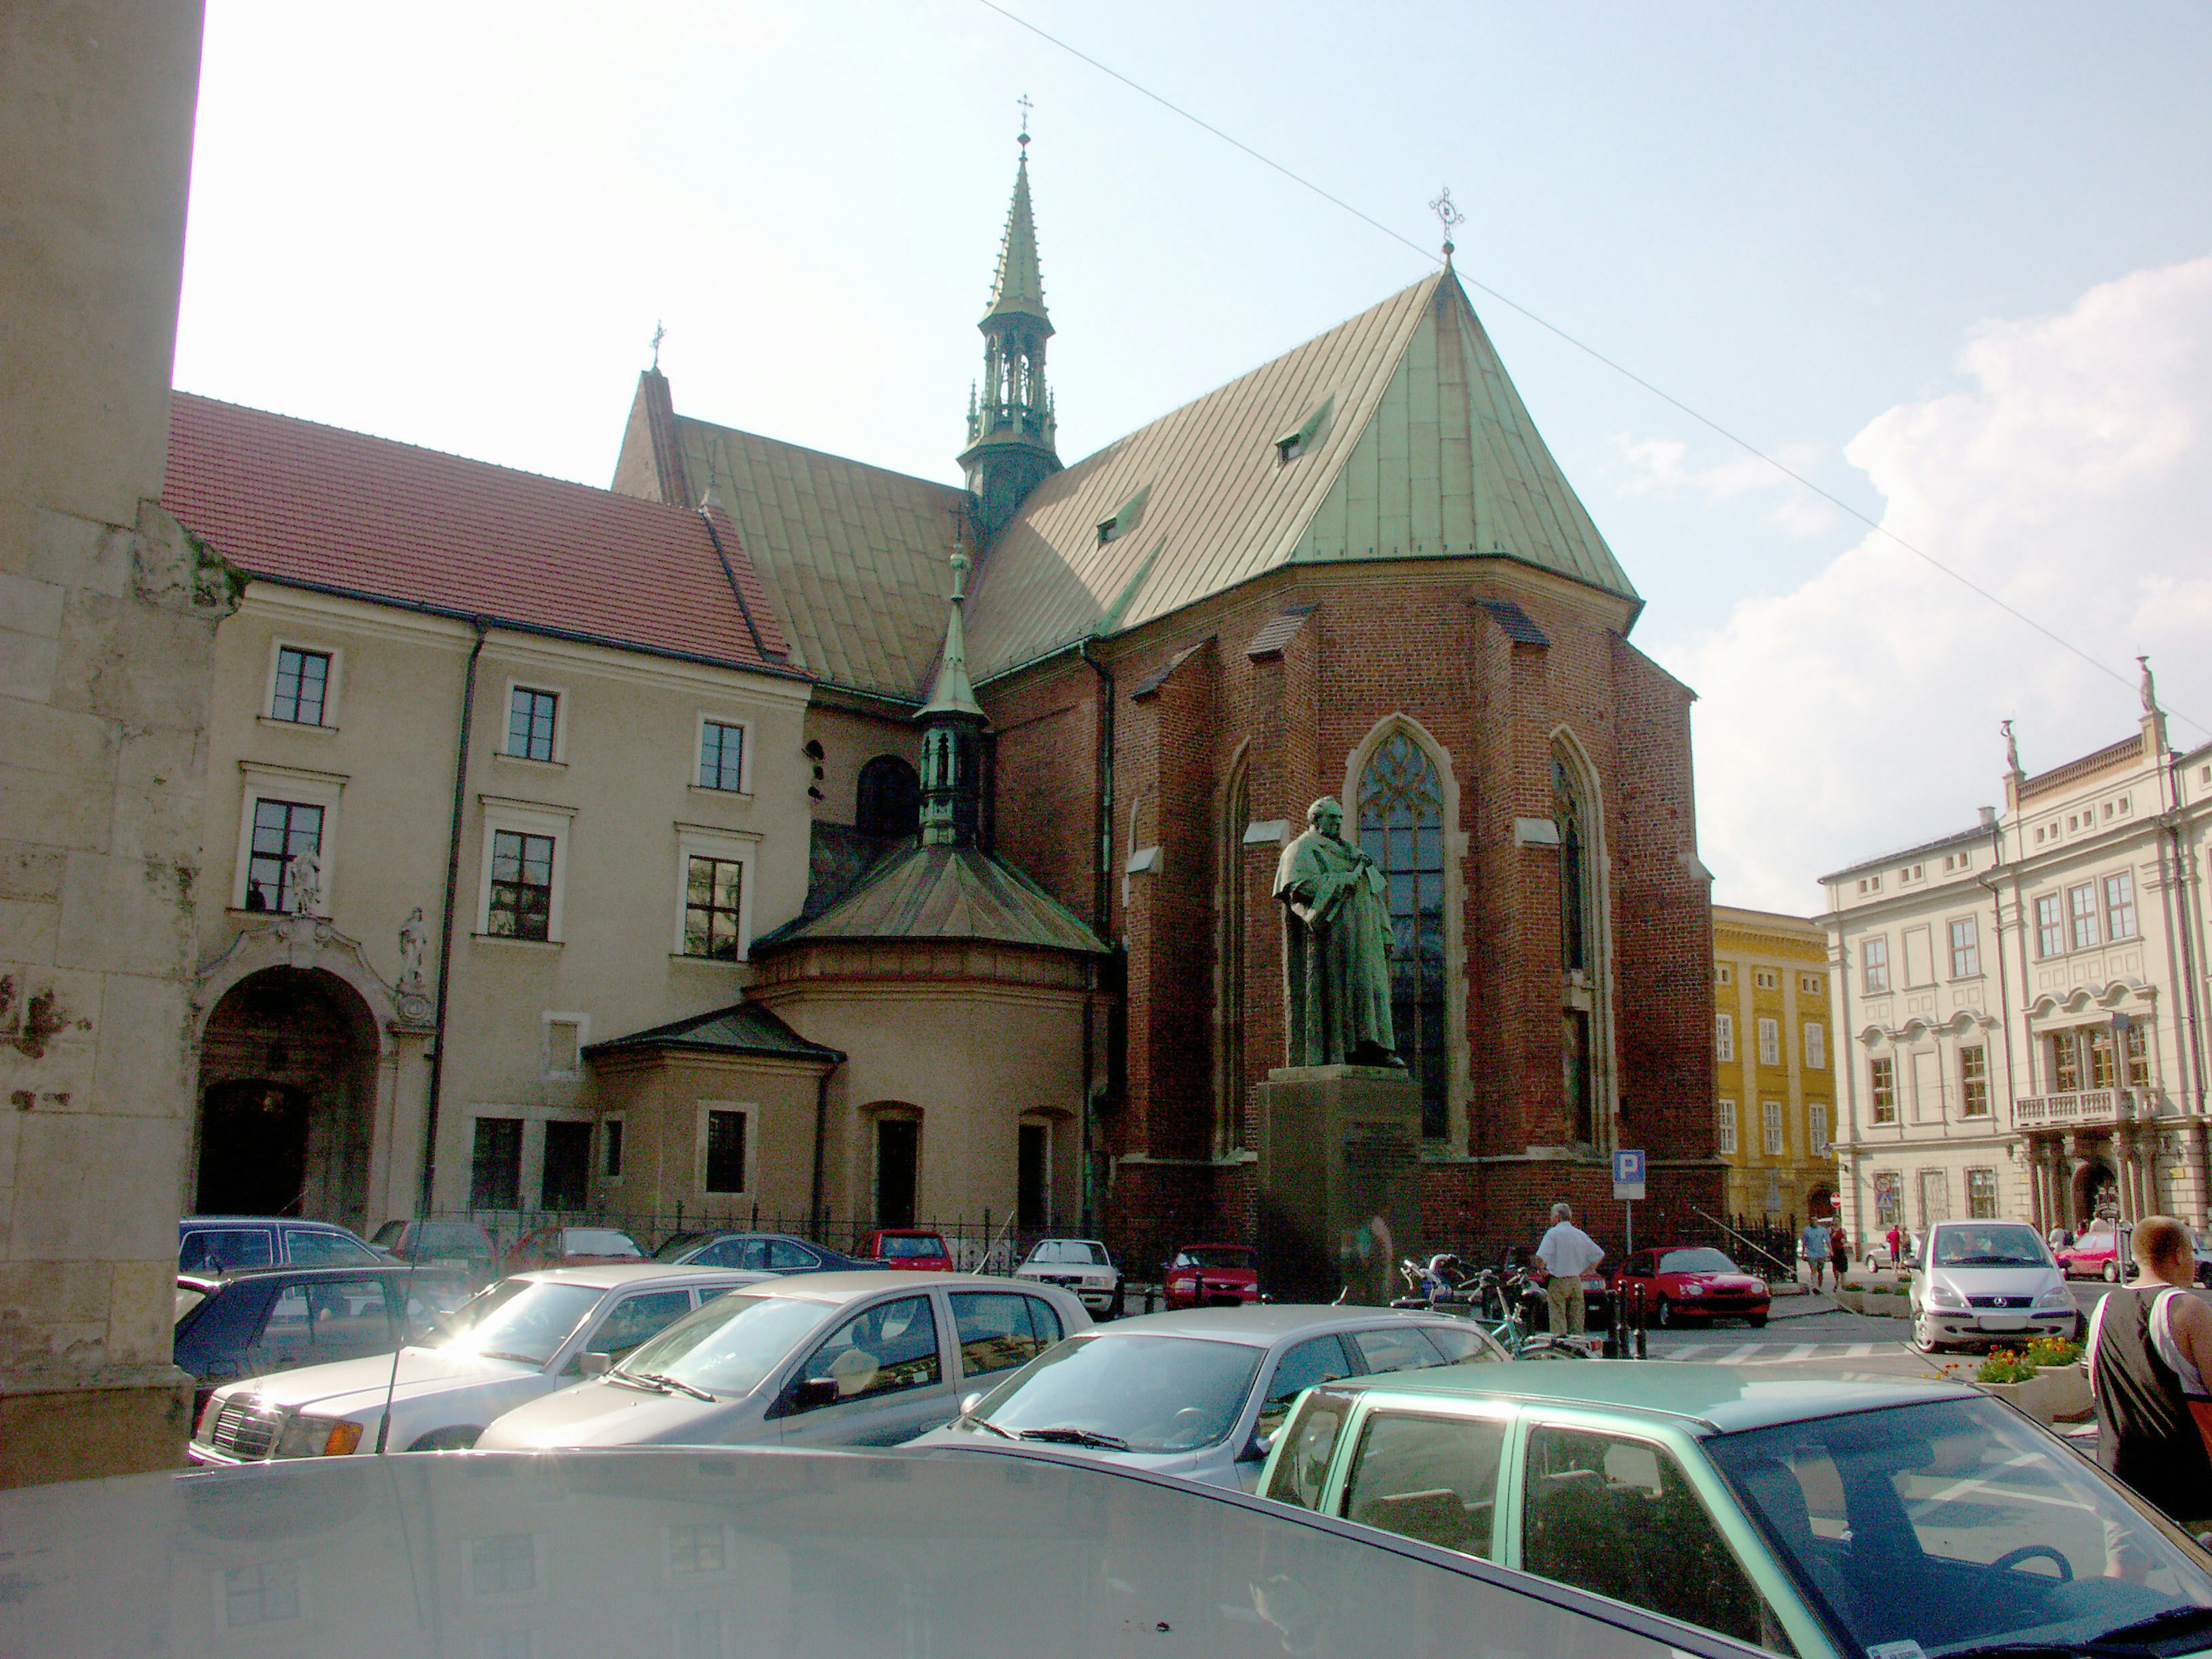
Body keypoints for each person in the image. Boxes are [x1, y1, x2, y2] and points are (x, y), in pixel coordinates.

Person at [2085, 1214, 2212, 1531]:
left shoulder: (2104, 1305)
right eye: (2191, 1254)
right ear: (2179, 1255)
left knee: (2125, 1570)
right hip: (2187, 1476)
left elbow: (2096, 1386)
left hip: (2122, 1472)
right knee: (2199, 1573)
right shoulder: (2187, 1308)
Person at [1535, 1203, 1604, 1338]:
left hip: (1558, 1279)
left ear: (1558, 1217)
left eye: (1552, 1215)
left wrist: (1542, 1270)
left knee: (1558, 1317)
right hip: (1576, 1281)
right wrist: (1589, 1271)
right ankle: (1577, 1346)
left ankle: (1561, 1347)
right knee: (1577, 1318)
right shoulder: (1579, 1234)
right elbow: (1599, 1254)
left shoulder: (1553, 1233)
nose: (1551, 1218)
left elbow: (1540, 1257)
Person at [1799, 1216, 1832, 1293]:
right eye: (1812, 1220)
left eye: (1815, 1220)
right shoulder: (1807, 1230)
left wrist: (1830, 1250)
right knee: (1814, 1270)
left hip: (1821, 1253)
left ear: (1817, 1221)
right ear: (1810, 1221)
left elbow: (1827, 1240)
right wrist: (1804, 1253)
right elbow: (1804, 1242)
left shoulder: (1822, 1230)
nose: (1814, 1221)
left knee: (1820, 1271)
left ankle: (1820, 1285)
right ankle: (1815, 1286)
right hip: (1811, 1254)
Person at [1828, 1221, 1850, 1286]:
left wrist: (1844, 1241)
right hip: (1834, 1251)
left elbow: (1846, 1240)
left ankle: (1843, 1283)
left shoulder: (1843, 1230)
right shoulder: (1830, 1230)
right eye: (1835, 1220)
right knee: (1835, 1268)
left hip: (1841, 1250)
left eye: (1837, 1220)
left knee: (1843, 1268)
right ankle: (1837, 1281)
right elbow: (1828, 1240)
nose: (1836, 1222)